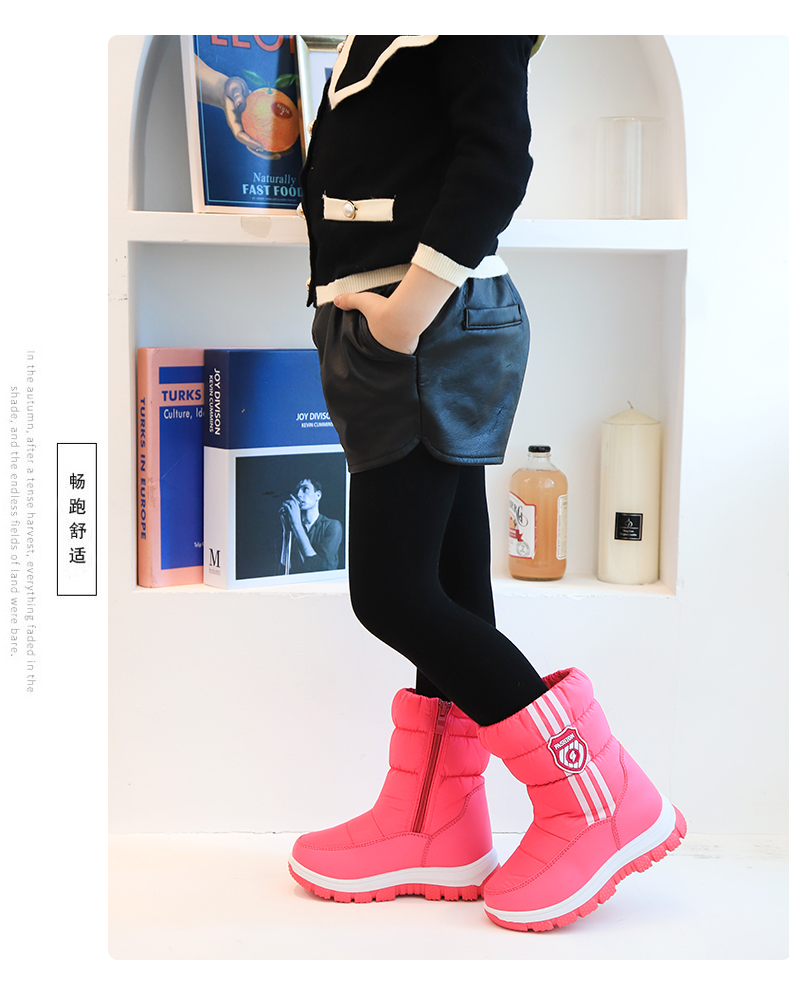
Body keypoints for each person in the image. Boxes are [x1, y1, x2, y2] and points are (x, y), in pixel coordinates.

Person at [288, 35, 685, 932]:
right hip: (405, 325)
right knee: (449, 584)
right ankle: (436, 821)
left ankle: (598, 792)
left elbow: (498, 156)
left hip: (424, 323)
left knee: (392, 593)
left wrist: (403, 318)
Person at [279, 477, 343, 573]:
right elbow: (285, 568)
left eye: (305, 489)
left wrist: (296, 524)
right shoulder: (295, 528)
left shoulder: (333, 526)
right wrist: (286, 531)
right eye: (297, 490)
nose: (299, 494)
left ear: (318, 495)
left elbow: (319, 568)